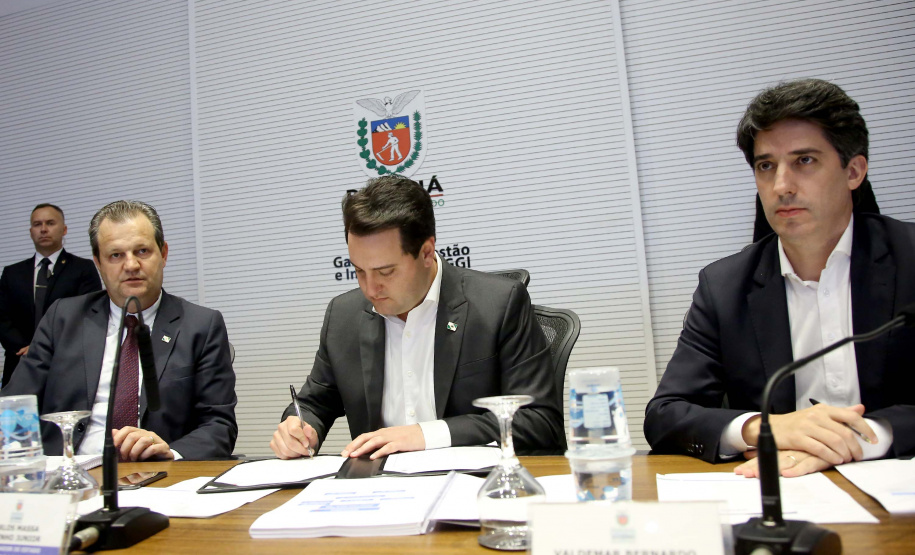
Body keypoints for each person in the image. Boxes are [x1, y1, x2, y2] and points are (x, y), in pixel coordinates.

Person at [644, 79, 915, 478]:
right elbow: (665, 415)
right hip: (781, 487)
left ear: (854, 171)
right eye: (766, 166)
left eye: (804, 161)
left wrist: (865, 437)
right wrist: (764, 428)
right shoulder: (724, 286)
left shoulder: (910, 260)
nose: (781, 186)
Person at [271, 176, 564, 460]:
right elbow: (312, 404)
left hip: (471, 486)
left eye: (386, 272)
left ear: (426, 253)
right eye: (359, 271)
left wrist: (426, 434)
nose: (370, 289)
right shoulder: (343, 316)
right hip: (380, 491)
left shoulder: (497, 305)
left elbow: (538, 424)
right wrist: (299, 428)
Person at [2, 200, 237, 460]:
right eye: (116, 255)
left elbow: (219, 426)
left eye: (143, 251)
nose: (131, 265)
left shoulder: (201, 325)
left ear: (164, 254)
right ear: (98, 263)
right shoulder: (63, 318)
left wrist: (171, 452)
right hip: (66, 475)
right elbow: (14, 406)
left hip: (156, 478)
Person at [0, 204, 102, 387]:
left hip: (66, 364)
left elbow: (88, 315)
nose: (43, 229)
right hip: (18, 364)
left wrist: (42, 348)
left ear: (64, 230)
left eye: (50, 223)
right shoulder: (12, 273)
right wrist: (27, 350)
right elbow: (2, 318)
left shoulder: (82, 268)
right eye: (37, 224)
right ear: (31, 231)